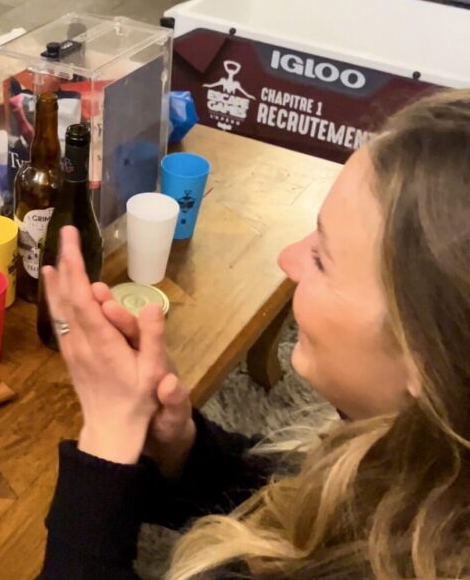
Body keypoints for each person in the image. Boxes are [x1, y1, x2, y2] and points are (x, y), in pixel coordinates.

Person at [41, 90, 470, 579]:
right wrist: (184, 450)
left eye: (322, 258)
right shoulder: (424, 469)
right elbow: (299, 509)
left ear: (426, 357)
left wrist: (106, 441)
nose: (288, 258)